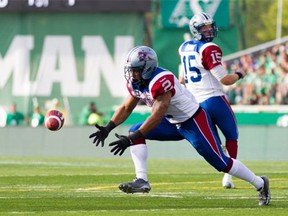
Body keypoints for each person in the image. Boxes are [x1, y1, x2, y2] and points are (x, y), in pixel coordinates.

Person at [89, 46, 270, 206]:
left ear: (148, 68)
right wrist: (108, 127)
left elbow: (157, 115)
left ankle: (260, 183)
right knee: (135, 130)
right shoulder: (138, 82)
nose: (132, 74)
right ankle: (142, 180)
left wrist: (130, 140)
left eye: (136, 70)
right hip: (172, 121)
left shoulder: (162, 80)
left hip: (193, 121)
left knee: (221, 163)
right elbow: (127, 107)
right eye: (131, 70)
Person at [178, 12, 247, 189]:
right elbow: (225, 80)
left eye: (210, 27)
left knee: (214, 142)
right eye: (204, 28)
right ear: (196, 30)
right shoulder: (209, 49)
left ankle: (226, 173)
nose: (209, 30)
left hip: (195, 103)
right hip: (214, 100)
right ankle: (228, 177)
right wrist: (240, 74)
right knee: (232, 136)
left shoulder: (184, 47)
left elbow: (182, 79)